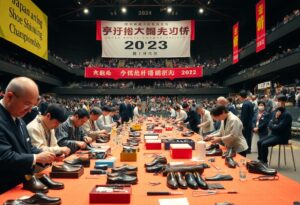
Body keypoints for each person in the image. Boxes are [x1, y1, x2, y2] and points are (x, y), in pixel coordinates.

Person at [0, 77, 55, 194]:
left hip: (20, 185)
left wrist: (44, 154)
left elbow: (27, 148)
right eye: (27, 104)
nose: (30, 110)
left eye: (33, 106)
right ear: (10, 97)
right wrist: (36, 158)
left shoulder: (19, 118)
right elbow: (4, 157)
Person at [257, 94, 292, 165]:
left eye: (279, 101)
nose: (277, 102)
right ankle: (260, 160)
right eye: (277, 101)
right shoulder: (275, 112)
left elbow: (279, 128)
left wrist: (274, 124)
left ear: (284, 102)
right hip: (274, 134)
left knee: (264, 144)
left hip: (282, 136)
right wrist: (275, 119)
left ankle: (264, 162)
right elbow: (270, 124)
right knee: (259, 142)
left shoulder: (287, 114)